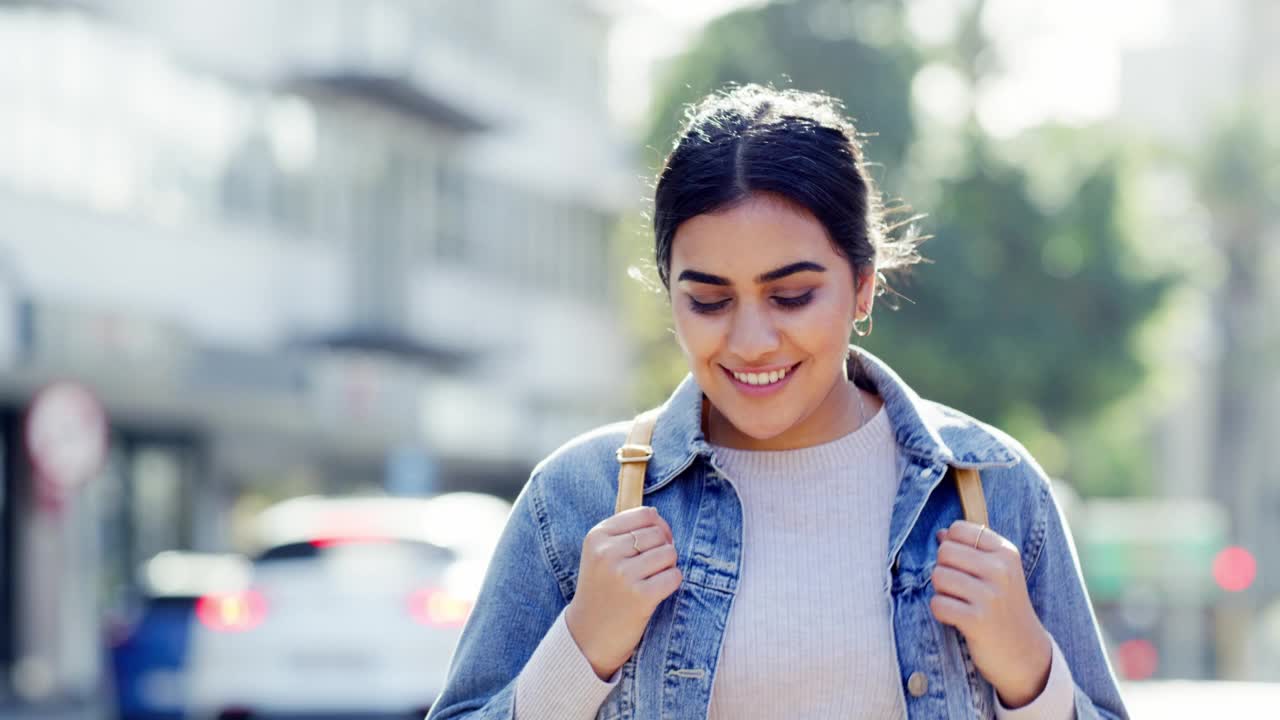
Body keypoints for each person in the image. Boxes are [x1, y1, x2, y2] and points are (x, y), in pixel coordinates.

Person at [426, 84, 1129, 719]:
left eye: (792, 296)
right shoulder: (579, 499)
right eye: (707, 300)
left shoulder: (991, 490)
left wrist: (1032, 678)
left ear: (862, 285)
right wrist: (580, 653)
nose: (752, 340)